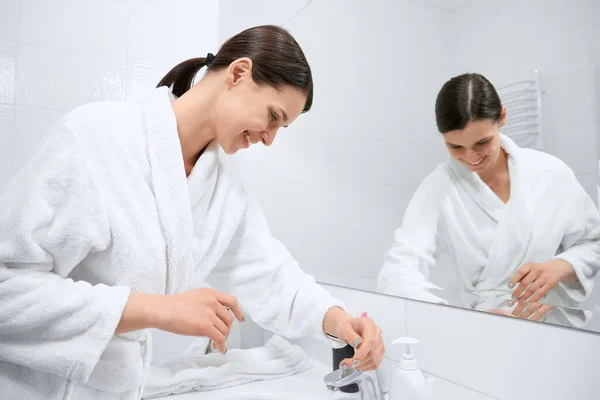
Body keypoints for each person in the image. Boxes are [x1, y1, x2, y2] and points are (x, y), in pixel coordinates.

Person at [0, 25, 384, 400]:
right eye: (273, 117)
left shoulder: (223, 188)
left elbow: (271, 276)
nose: (270, 139)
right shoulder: (95, 138)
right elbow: (7, 288)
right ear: (238, 73)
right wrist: (160, 309)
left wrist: (340, 323)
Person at [377, 73, 600, 325]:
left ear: (502, 117)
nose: (471, 157)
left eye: (482, 142)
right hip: (485, 324)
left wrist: (560, 267)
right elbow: (396, 270)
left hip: (557, 325)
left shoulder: (552, 173)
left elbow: (593, 243)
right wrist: (452, 314)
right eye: (456, 147)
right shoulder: (438, 187)